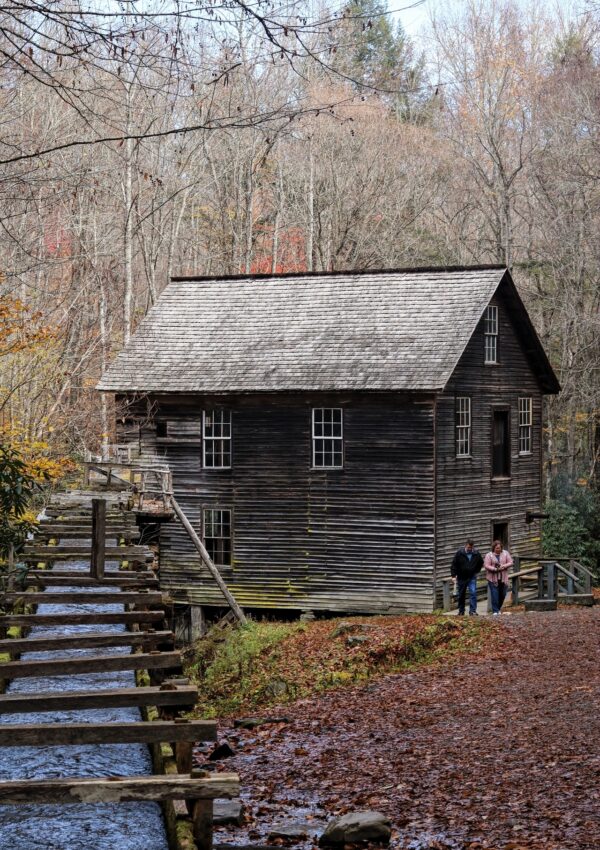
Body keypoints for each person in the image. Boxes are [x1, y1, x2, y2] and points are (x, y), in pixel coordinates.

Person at [451, 538, 484, 616]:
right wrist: (453, 575)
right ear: (465, 545)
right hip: (461, 577)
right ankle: (461, 610)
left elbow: (481, 563)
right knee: (461, 594)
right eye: (468, 547)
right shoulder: (459, 553)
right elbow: (454, 564)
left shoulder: (476, 553)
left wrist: (476, 571)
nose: (470, 549)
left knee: (473, 592)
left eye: (471, 547)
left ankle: (472, 611)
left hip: (472, 576)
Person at [484, 540, 513, 615]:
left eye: (499, 548)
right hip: (492, 578)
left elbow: (510, 562)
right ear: (493, 548)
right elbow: (486, 565)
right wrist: (495, 569)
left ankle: (498, 608)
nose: (498, 549)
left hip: (503, 578)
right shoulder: (489, 555)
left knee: (503, 594)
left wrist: (504, 566)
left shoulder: (505, 553)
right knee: (495, 594)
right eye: (496, 548)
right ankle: (495, 611)